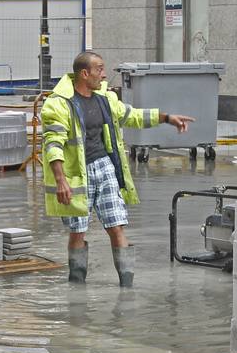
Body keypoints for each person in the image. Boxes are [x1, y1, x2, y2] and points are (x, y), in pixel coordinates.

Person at [42, 51, 193, 287]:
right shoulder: (59, 104)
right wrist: (61, 180)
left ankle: (127, 287)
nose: (104, 74)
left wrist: (167, 117)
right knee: (78, 232)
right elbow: (53, 143)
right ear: (85, 73)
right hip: (78, 176)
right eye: (99, 69)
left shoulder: (105, 99)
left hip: (105, 168)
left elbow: (131, 115)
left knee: (117, 227)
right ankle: (77, 286)